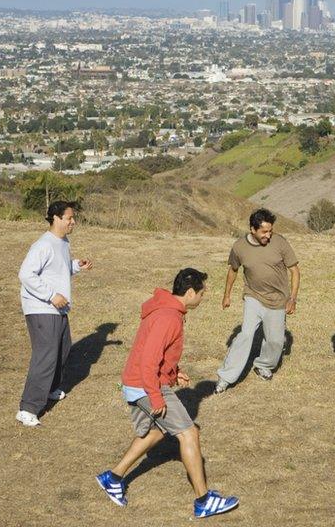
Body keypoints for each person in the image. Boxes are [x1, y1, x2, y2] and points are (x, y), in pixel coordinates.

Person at [96, 268, 239, 519]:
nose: (203, 298)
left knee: (156, 432)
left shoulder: (167, 311)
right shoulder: (168, 317)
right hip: (145, 384)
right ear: (191, 292)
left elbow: (157, 354)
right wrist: (156, 395)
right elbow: (150, 360)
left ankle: (112, 478)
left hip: (141, 381)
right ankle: (203, 500)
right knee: (189, 433)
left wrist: (174, 372)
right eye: (202, 293)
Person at [15, 201, 92, 427]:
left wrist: (76, 265)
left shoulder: (63, 242)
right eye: (69, 218)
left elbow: (59, 268)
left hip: (57, 308)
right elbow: (26, 274)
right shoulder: (43, 245)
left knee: (63, 349)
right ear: (56, 218)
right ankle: (28, 408)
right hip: (42, 308)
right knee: (46, 355)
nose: (73, 222)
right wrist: (51, 295)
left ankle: (49, 389)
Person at [214, 208, 300, 393]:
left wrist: (292, 298)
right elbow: (233, 270)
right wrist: (226, 295)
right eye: (264, 231)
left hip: (278, 299)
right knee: (245, 335)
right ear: (252, 229)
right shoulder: (239, 247)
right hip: (253, 296)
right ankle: (225, 377)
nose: (268, 235)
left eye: (270, 231)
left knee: (276, 341)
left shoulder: (280, 243)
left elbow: (294, 270)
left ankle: (264, 365)